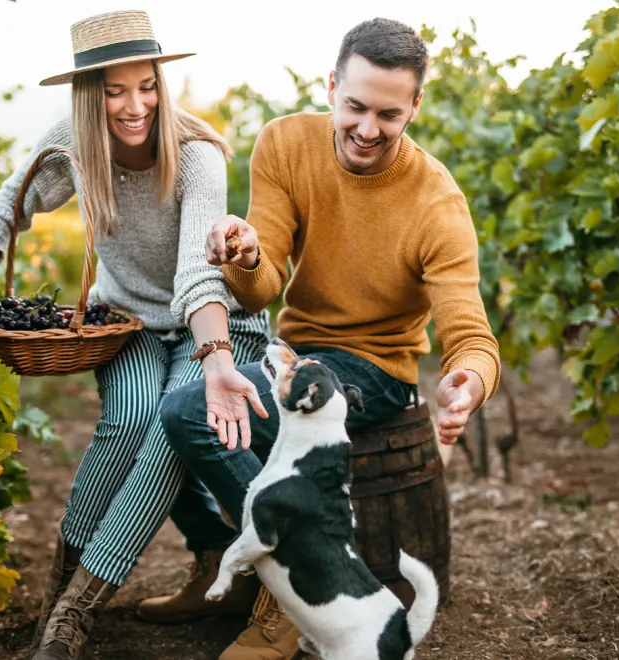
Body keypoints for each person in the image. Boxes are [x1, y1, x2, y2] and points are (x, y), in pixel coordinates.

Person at [148, 17, 502, 659]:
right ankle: (230, 568)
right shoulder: (285, 143)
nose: (368, 129)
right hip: (299, 351)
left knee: (188, 412)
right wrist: (249, 255)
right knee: (164, 408)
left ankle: (286, 592)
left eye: (389, 115)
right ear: (333, 85)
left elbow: (470, 333)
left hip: (374, 370)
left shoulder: (436, 204)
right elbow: (261, 288)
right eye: (356, 107)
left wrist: (468, 380)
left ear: (415, 105)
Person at [0, 10, 270, 660]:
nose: (134, 105)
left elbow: (196, 276)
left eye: (146, 85)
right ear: (90, 93)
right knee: (125, 420)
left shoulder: (196, 157)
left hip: (212, 326)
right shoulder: (75, 141)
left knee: (166, 430)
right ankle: (65, 588)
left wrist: (212, 357)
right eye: (115, 90)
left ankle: (73, 614)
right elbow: (10, 203)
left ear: (161, 82)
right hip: (127, 325)